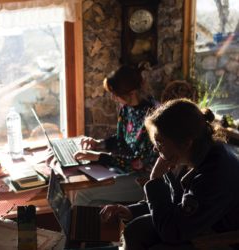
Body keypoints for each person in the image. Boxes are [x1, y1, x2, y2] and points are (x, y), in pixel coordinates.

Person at [100, 98, 239, 250]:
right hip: (195, 223)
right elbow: (174, 203)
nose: (155, 149)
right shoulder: (190, 155)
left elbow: (173, 232)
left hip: (219, 236)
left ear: (186, 142)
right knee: (135, 230)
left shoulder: (215, 174)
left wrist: (155, 180)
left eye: (160, 143)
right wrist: (131, 211)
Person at [73, 64, 159, 206]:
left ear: (132, 93)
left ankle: (73, 229)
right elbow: (120, 140)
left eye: (116, 94)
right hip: (127, 169)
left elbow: (138, 163)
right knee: (94, 200)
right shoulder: (127, 108)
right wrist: (98, 144)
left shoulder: (152, 118)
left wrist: (99, 157)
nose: (113, 98)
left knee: (84, 194)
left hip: (145, 178)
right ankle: (86, 228)